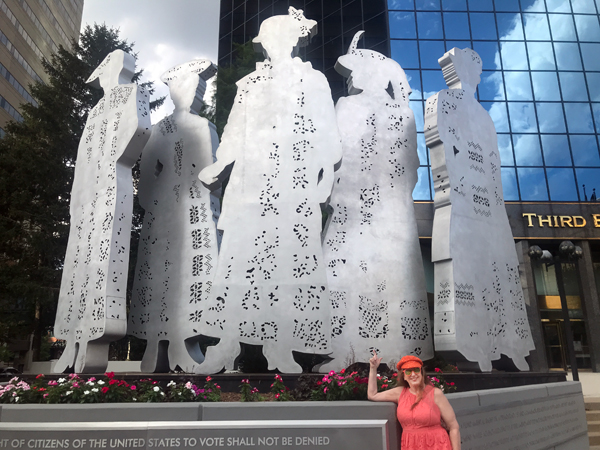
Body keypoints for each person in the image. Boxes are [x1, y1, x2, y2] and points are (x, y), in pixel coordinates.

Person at [368, 353, 460, 450]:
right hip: (411, 445)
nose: (413, 374)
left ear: (421, 373)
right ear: (404, 376)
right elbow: (372, 395)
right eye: (408, 372)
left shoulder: (435, 394)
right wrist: (373, 368)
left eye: (416, 370)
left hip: (437, 445)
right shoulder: (400, 393)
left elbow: (453, 426)